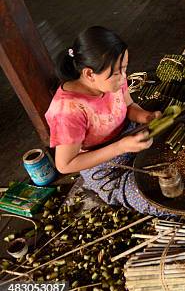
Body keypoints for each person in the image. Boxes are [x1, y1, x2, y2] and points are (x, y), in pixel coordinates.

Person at [45, 26, 167, 215]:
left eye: (124, 69)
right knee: (159, 199)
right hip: (105, 167)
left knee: (178, 159)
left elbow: (128, 106)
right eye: (118, 72)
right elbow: (65, 164)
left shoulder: (113, 79)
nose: (124, 77)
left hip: (132, 137)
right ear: (89, 74)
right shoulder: (68, 110)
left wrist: (146, 117)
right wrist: (120, 147)